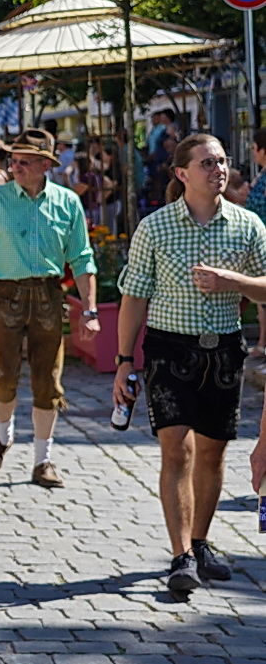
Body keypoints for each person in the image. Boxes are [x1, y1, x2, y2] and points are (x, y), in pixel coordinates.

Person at [111, 135, 266, 592]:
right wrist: (123, 361)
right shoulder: (155, 228)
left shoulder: (247, 224)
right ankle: (180, 556)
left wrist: (230, 282)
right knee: (177, 448)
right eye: (206, 163)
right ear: (182, 173)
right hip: (169, 350)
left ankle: (200, 543)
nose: (218, 169)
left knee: (214, 450)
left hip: (224, 351)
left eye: (221, 161)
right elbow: (134, 296)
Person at [0, 128, 98, 488]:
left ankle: (43, 461)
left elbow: (83, 259)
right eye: (13, 160)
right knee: (3, 377)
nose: (15, 166)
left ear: (45, 164)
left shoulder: (67, 202)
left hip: (48, 297)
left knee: (48, 381)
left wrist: (90, 309)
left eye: (24, 161)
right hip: (5, 296)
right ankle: (3, 436)